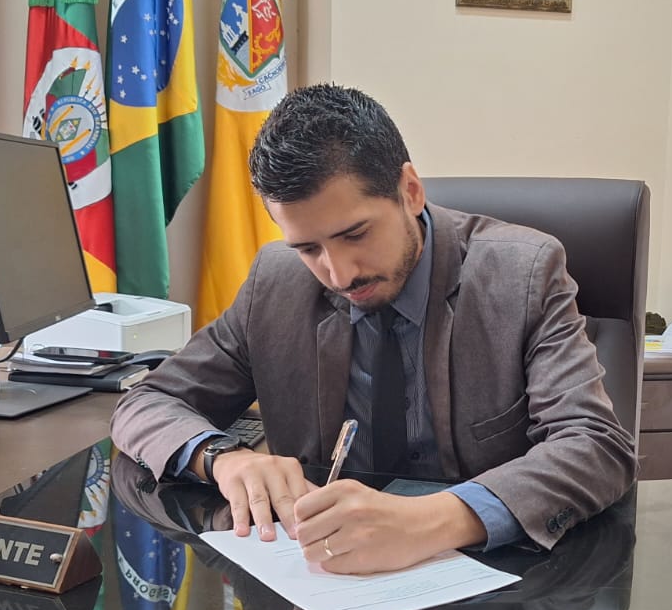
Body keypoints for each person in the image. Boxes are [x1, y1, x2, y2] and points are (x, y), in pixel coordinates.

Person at [110, 83, 634, 578]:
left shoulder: (523, 274)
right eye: (309, 248)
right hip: (322, 582)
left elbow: (596, 446)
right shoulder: (276, 281)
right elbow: (146, 403)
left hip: (494, 588)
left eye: (355, 234)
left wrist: (433, 521)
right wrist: (221, 458)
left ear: (409, 191)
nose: (339, 274)